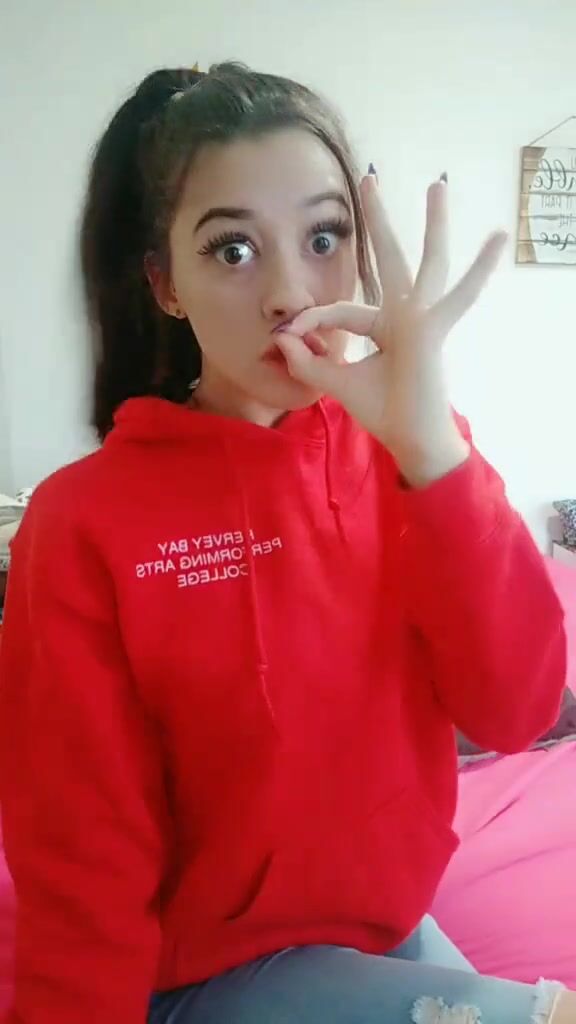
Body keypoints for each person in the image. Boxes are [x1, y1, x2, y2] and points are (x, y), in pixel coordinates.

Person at [0, 62, 573, 1024]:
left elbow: (517, 712)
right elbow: (81, 854)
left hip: (384, 929)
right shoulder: (85, 522)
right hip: (208, 973)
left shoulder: (416, 452)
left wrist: (431, 450)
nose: (290, 293)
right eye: (232, 249)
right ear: (164, 283)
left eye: (324, 237)